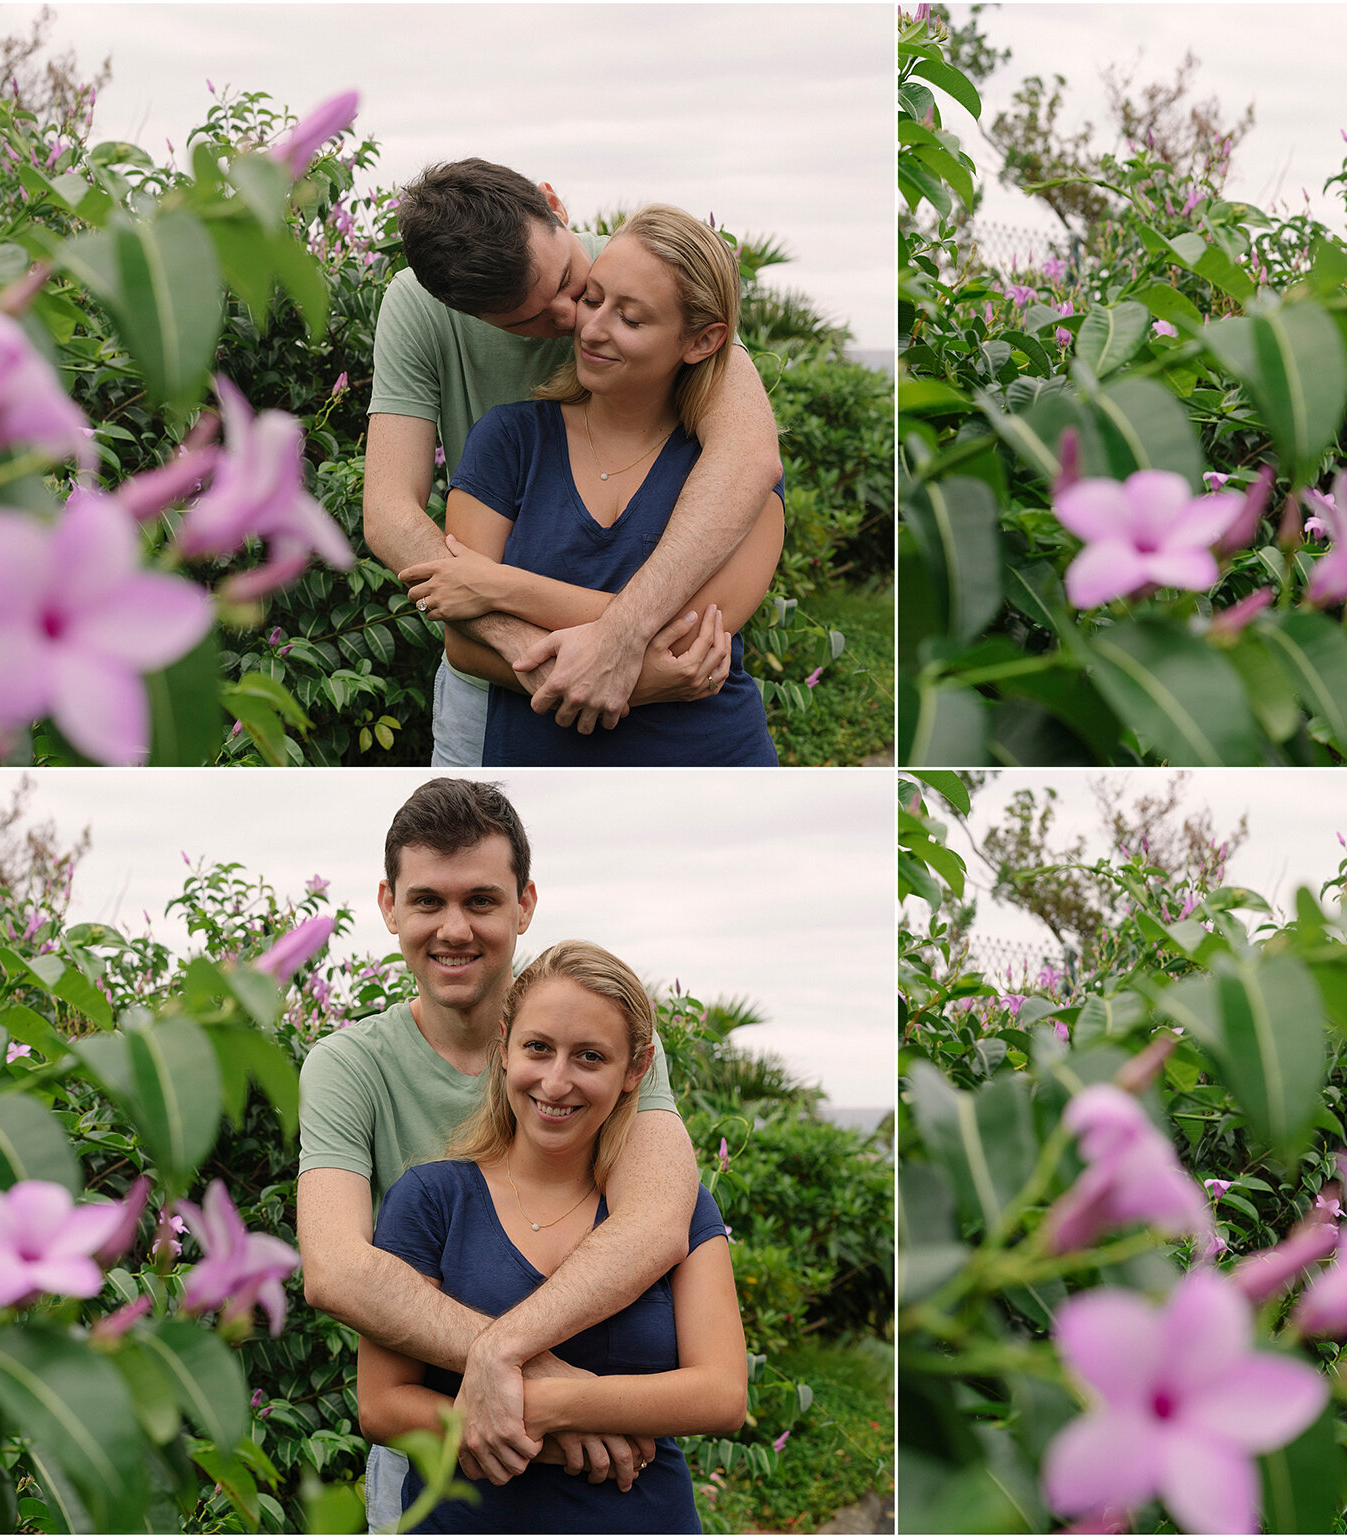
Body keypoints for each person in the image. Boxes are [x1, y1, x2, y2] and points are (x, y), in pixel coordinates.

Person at [296, 779, 702, 1533]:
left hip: (605, 1434)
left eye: (481, 900)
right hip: (440, 1426)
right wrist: (533, 1381)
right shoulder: (347, 1065)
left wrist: (513, 1371)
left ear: (525, 904)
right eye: (427, 902)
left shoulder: (598, 1039)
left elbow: (656, 1222)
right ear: (388, 906)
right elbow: (335, 1267)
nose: (454, 928)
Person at [362, 161, 784, 759]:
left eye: (570, 284)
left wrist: (600, 636)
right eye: (526, 319)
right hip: (503, 688)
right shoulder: (437, 333)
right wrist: (549, 664)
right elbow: (388, 512)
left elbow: (748, 457)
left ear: (554, 205)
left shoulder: (646, 268)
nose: (574, 321)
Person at [360, 940, 746, 1533]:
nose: (556, 1081)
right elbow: (382, 1404)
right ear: (505, 1046)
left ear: (635, 1071)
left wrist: (550, 1404)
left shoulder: (677, 1208)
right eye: (538, 1048)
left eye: (590, 1057)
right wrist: (555, 1442)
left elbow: (721, 1395)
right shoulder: (431, 1199)